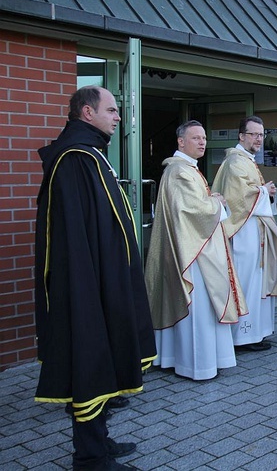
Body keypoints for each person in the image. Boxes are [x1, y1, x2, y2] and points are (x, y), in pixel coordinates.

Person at [34, 85, 156, 470]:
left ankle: (100, 440)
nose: (119, 117)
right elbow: (74, 237)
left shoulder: (91, 154)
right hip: (86, 285)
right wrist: (94, 286)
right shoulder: (75, 159)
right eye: (112, 109)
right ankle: (89, 457)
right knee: (89, 358)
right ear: (87, 113)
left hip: (102, 279)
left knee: (105, 356)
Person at [146, 120, 247, 380]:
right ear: (181, 141)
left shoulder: (187, 168)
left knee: (202, 308)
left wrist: (212, 201)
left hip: (197, 246)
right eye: (196, 138)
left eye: (204, 138)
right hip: (193, 254)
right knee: (198, 308)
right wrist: (215, 201)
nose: (202, 142)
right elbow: (191, 211)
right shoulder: (179, 171)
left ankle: (190, 358)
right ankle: (196, 365)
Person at [212, 116, 277, 352]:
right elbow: (238, 196)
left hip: (253, 230)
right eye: (254, 134)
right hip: (243, 232)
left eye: (261, 135)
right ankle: (243, 335)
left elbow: (251, 193)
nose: (259, 139)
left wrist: (266, 192)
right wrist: (264, 191)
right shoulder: (235, 161)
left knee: (256, 278)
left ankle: (257, 332)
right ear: (241, 136)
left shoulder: (246, 160)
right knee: (247, 280)